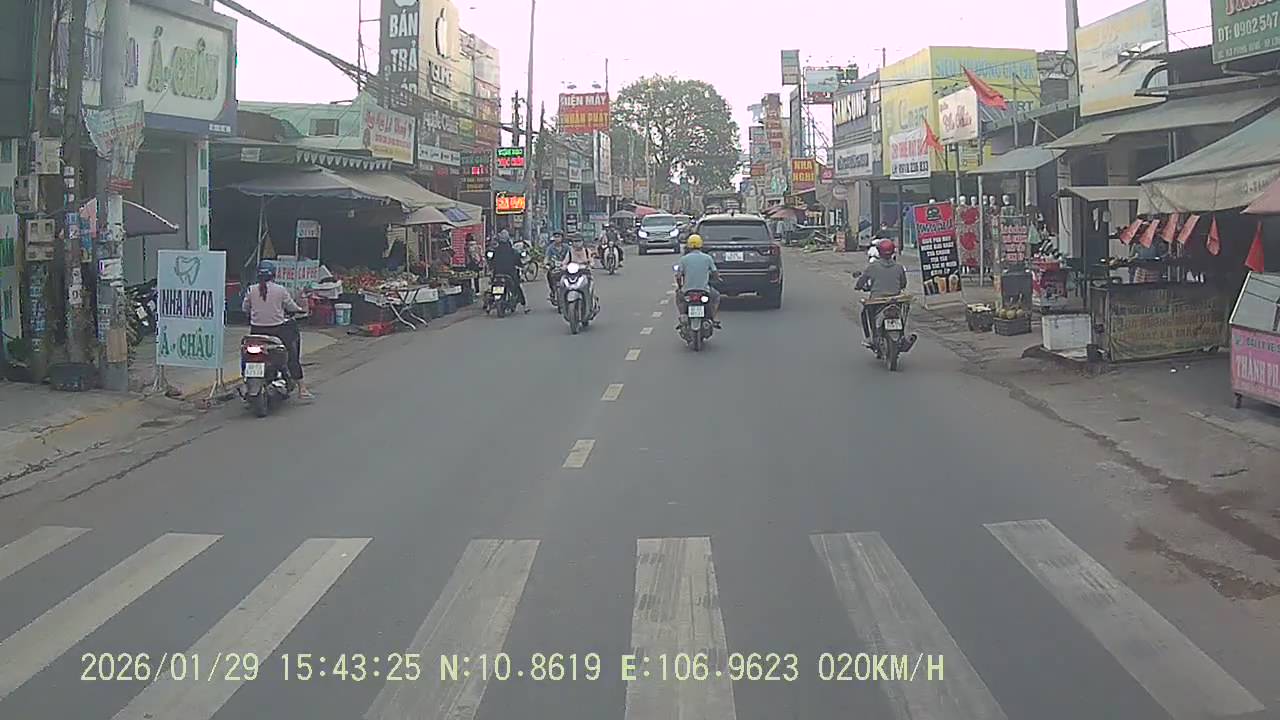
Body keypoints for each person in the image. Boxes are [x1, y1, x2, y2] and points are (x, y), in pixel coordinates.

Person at [242, 262, 313, 400]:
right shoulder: (280, 290)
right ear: (273, 275)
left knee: (245, 353)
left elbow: (245, 308)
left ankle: (246, 380)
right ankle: (302, 388)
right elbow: (291, 306)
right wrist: (300, 309)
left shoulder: (251, 290)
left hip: (256, 332)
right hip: (277, 331)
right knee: (291, 356)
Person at [855, 239, 908, 341]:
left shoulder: (872, 267)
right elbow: (903, 284)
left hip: (877, 301)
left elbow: (861, 281)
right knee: (900, 313)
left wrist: (858, 286)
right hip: (895, 300)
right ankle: (902, 336)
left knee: (866, 313)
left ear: (879, 252)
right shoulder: (899, 267)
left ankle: (871, 337)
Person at [674, 234, 721, 328]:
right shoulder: (707, 258)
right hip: (704, 290)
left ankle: (683, 315)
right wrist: (718, 279)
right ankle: (711, 318)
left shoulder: (684, 259)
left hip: (687, 291)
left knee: (679, 298)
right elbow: (715, 272)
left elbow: (678, 276)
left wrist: (680, 287)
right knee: (716, 297)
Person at [488, 235, 529, 311]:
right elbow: (518, 261)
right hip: (509, 273)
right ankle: (524, 306)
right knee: (517, 286)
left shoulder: (495, 251)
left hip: (497, 273)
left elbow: (490, 261)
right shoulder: (512, 251)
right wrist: (521, 265)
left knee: (492, 286)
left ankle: (489, 305)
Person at [545, 232, 569, 300]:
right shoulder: (550, 248)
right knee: (549, 275)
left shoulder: (566, 247)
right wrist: (546, 263)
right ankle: (553, 291)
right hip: (554, 267)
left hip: (565, 267)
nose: (557, 238)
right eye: (555, 237)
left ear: (562, 238)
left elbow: (571, 255)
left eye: (558, 237)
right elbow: (547, 257)